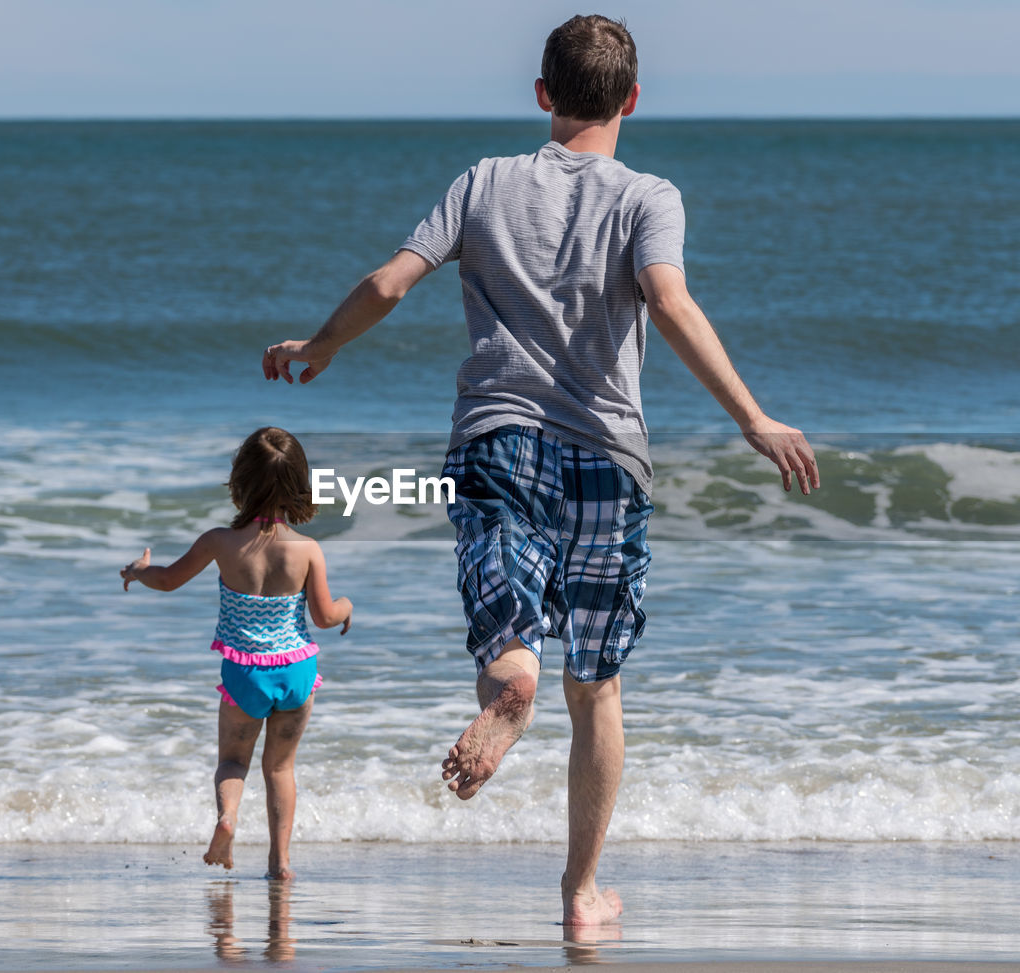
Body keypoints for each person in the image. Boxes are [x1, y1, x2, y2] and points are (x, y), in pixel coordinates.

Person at [262, 15, 819, 924]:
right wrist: (753, 417)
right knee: (595, 682)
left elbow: (394, 280)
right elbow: (670, 302)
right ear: (632, 100)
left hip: (497, 439)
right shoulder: (651, 197)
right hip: (608, 456)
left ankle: (506, 681)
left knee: (506, 628)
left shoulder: (483, 183)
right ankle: (580, 894)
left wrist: (323, 343)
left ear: (542, 95)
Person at [120, 426, 352, 878]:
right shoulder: (307, 550)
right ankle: (280, 863)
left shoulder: (219, 542)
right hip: (297, 674)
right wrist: (347, 608)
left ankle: (228, 818)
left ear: (240, 481)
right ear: (298, 483)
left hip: (246, 675)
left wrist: (141, 571)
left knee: (233, 761)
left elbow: (168, 580)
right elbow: (324, 616)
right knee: (280, 768)